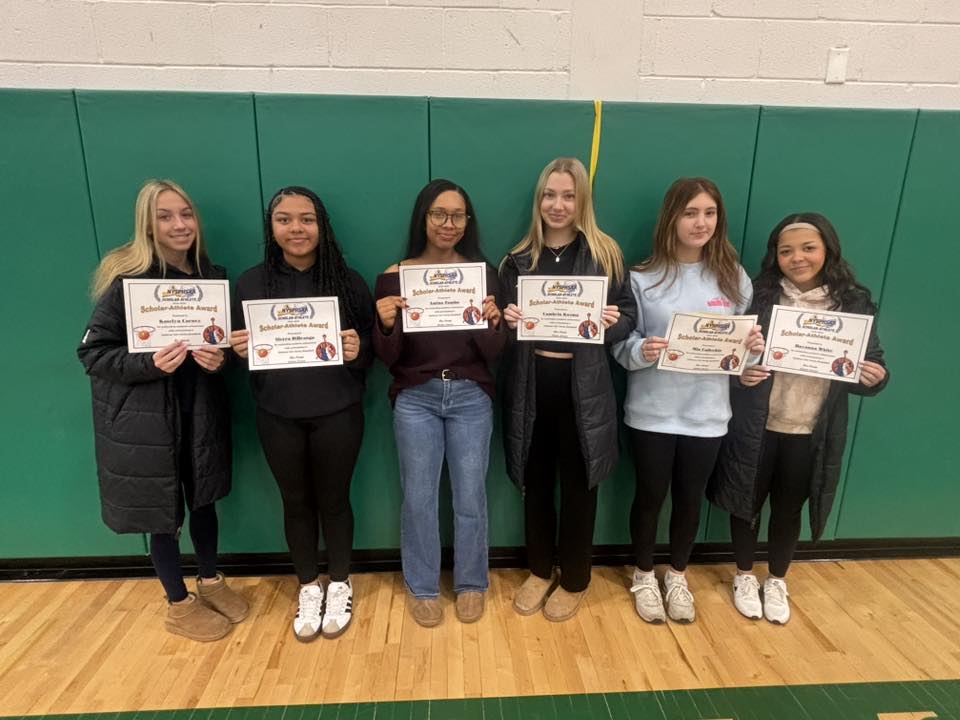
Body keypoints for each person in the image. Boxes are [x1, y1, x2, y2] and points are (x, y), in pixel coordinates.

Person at [78, 179, 247, 642]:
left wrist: (224, 358)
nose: (179, 225)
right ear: (147, 225)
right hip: (149, 423)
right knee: (163, 514)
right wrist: (148, 363)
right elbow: (93, 354)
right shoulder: (125, 282)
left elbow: (228, 347)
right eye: (166, 216)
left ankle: (210, 580)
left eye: (186, 214)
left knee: (204, 500)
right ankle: (178, 603)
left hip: (200, 413)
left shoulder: (212, 279)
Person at [709, 212, 888, 624]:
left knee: (789, 509)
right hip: (758, 423)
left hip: (810, 429)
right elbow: (732, 356)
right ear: (775, 256)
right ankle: (743, 574)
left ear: (828, 250)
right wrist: (740, 372)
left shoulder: (854, 304)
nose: (798, 258)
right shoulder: (760, 297)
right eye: (786, 250)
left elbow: (870, 366)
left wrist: (872, 376)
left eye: (808, 248)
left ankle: (776, 579)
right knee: (745, 504)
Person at [611, 177, 764, 624]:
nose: (701, 223)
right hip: (651, 412)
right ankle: (643, 575)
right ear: (672, 218)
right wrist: (645, 350)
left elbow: (741, 360)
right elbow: (622, 347)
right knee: (650, 497)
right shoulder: (641, 278)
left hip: (708, 414)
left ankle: (677, 574)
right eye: (691, 213)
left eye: (710, 213)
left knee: (690, 500)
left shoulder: (734, 278)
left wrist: (752, 345)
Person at [229, 186, 374, 642]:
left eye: (306, 219)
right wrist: (239, 350)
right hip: (278, 413)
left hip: (338, 412)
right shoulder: (251, 284)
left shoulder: (348, 281)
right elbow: (243, 350)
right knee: (295, 503)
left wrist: (357, 349)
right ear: (271, 229)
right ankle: (309, 585)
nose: (296, 228)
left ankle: (341, 582)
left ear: (321, 225)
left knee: (335, 500)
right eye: (285, 219)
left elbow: (372, 349)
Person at [500, 157, 636, 622]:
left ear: (582, 202)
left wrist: (613, 324)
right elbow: (496, 326)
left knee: (581, 486)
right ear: (539, 200)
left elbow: (629, 318)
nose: (558, 205)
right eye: (550, 195)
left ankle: (576, 578)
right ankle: (540, 570)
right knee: (535, 484)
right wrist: (508, 320)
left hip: (585, 391)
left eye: (569, 195)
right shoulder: (517, 260)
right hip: (532, 387)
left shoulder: (605, 255)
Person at [374, 179, 505, 627]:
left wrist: (493, 324)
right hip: (416, 398)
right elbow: (387, 358)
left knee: (470, 495)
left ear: (468, 222)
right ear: (423, 217)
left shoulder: (484, 275)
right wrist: (386, 324)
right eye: (438, 214)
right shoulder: (393, 277)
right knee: (419, 497)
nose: (448, 223)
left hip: (471, 396)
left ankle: (472, 583)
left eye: (457, 215)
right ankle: (423, 586)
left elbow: (493, 352)